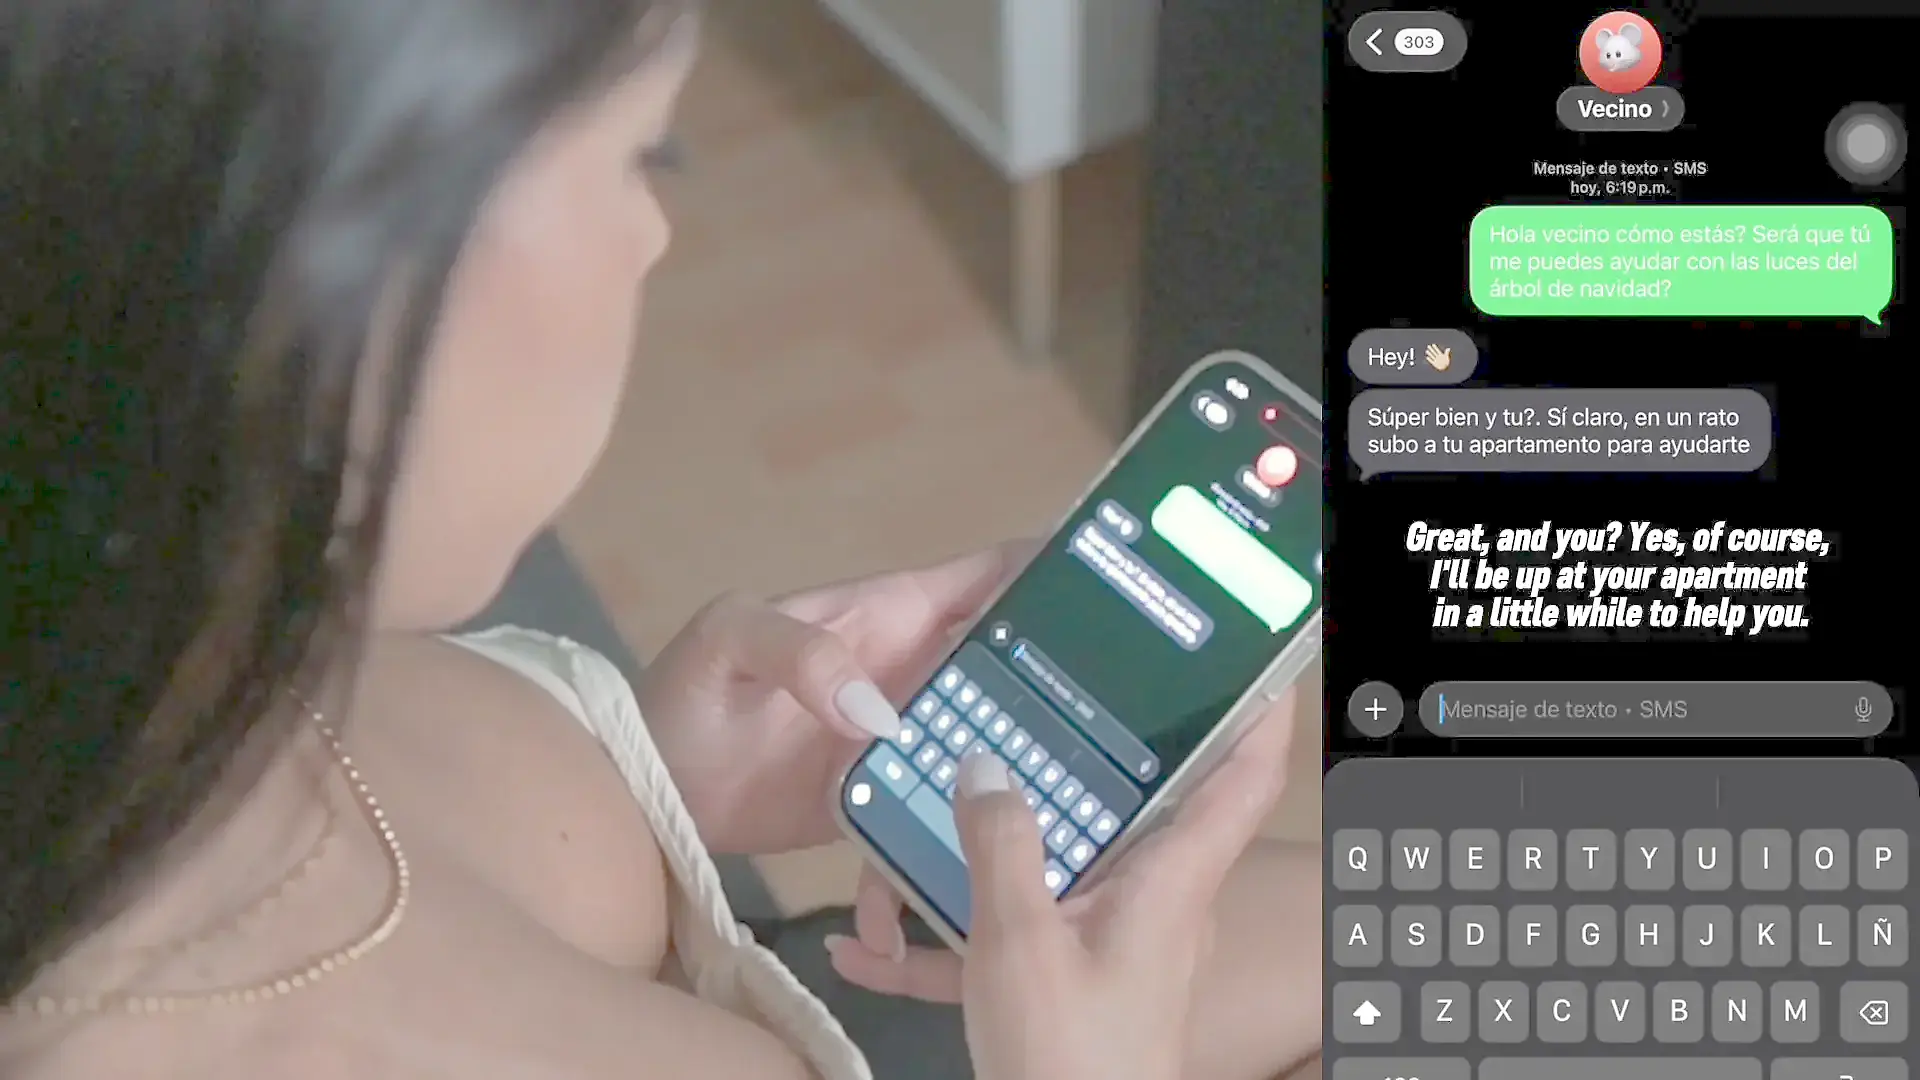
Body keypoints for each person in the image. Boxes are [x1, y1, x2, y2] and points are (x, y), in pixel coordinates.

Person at [0, 2, 1322, 1077]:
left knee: (1435, 907)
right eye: (647, 155)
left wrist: (650, 794)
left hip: (787, 985)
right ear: (325, 264)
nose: (654, 236)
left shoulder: (157, 674)